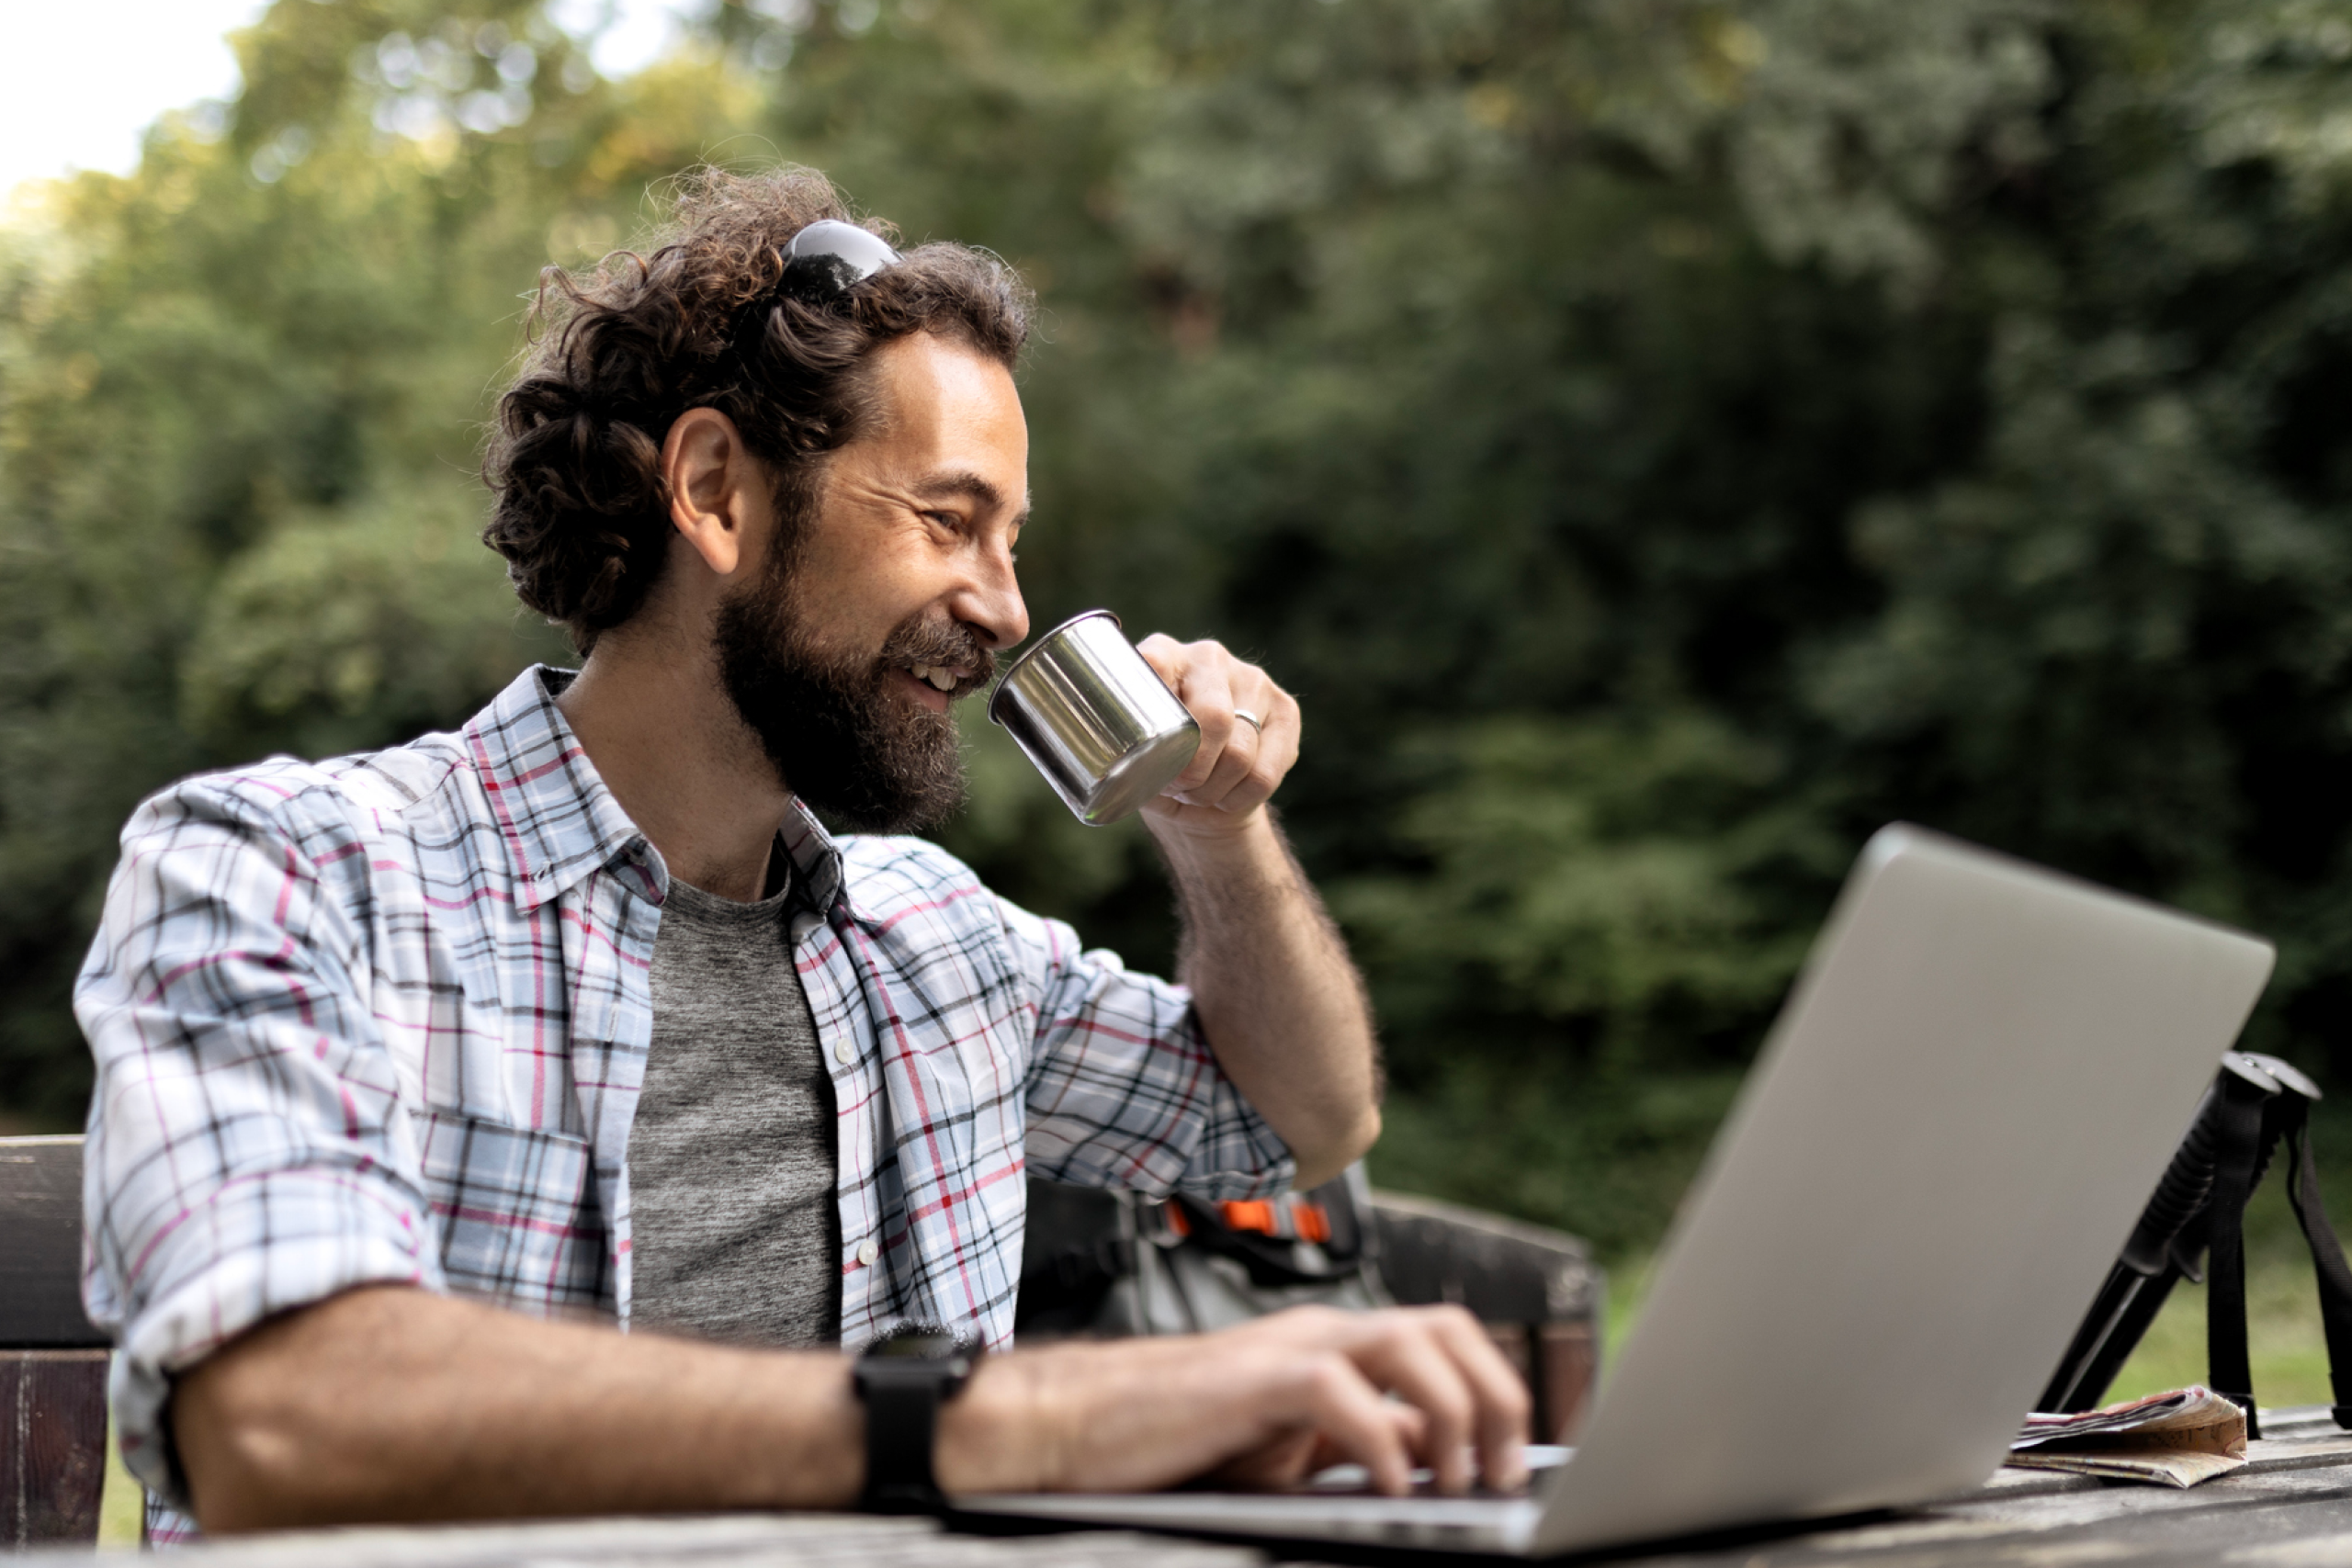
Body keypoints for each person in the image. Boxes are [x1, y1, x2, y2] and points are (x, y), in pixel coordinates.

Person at [74, 166, 1529, 1539]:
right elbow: (278, 1415)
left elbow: (1300, 1119)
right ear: (713, 491)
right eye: (951, 521)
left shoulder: (941, 945)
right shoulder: (284, 873)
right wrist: (1007, 1419)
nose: (1006, 607)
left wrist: (1221, 830)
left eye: (1011, 541)